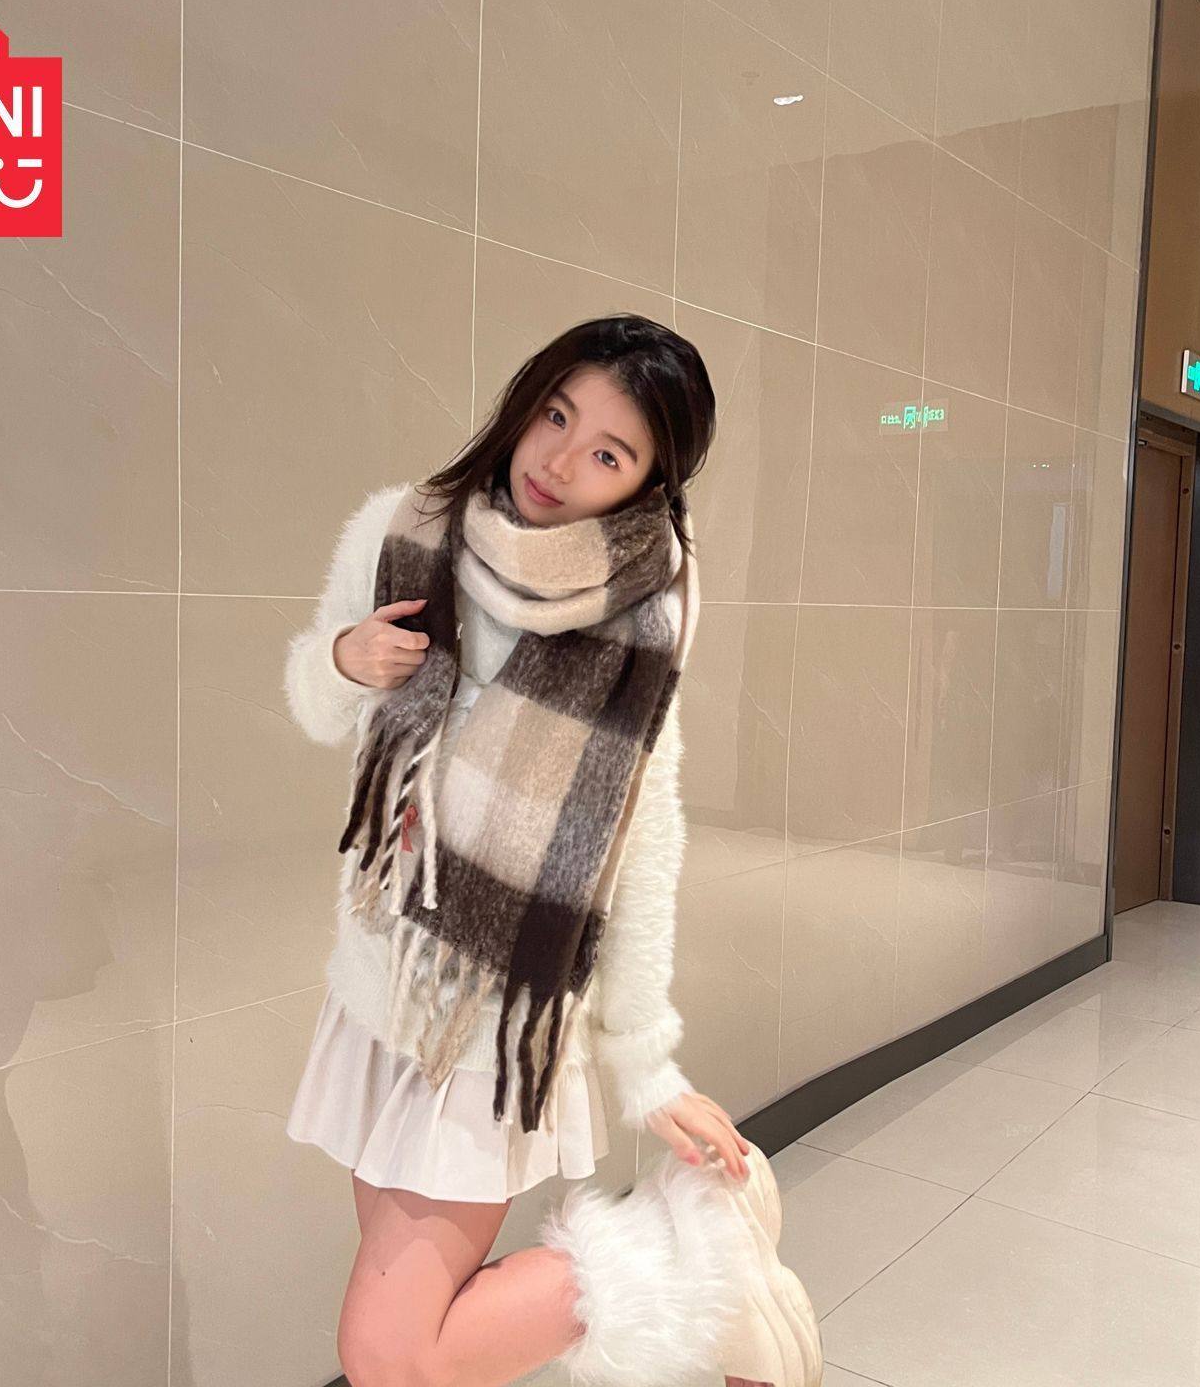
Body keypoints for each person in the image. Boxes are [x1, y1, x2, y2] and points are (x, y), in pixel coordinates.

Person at [282, 315, 822, 1387]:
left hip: (492, 1016)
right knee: (411, 1341)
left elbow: (640, 829)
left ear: (649, 484)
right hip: (384, 983)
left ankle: (700, 1262)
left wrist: (644, 1059)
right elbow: (315, 703)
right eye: (557, 415)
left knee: (390, 1351)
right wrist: (343, 659)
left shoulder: (641, 610)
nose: (560, 462)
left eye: (609, 455)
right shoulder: (406, 529)